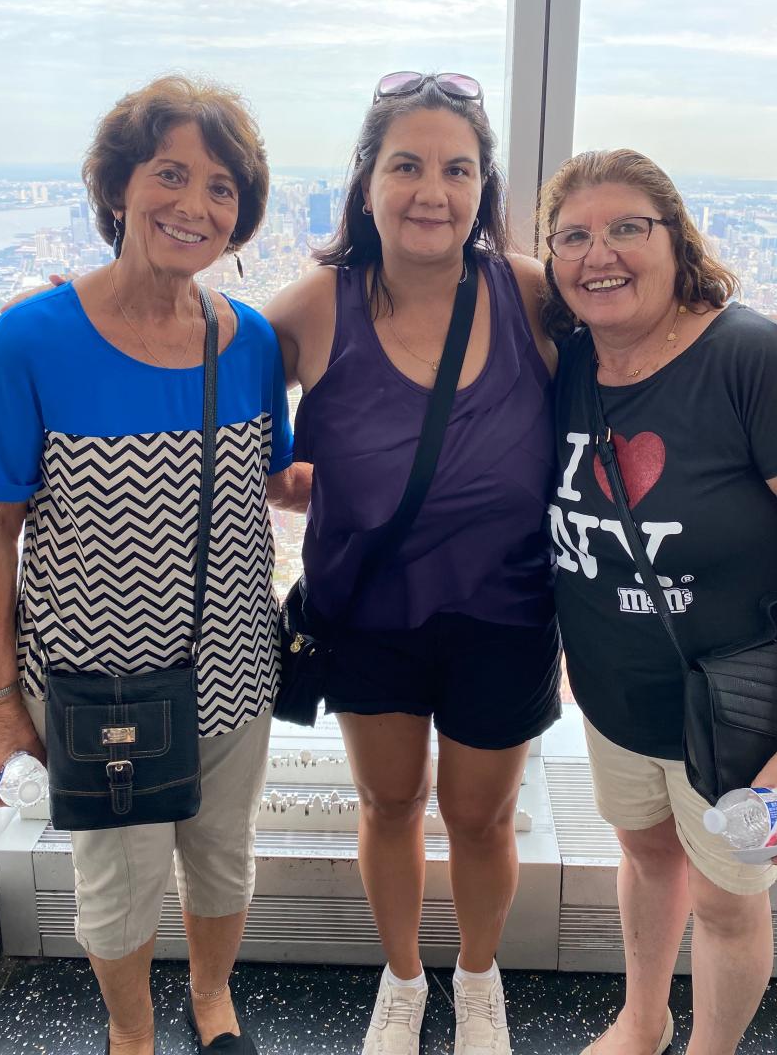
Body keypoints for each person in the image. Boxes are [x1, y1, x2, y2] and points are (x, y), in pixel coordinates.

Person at [0, 76, 308, 1055]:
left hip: (235, 662)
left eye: (223, 187)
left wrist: (380, 476)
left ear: (243, 214)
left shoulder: (251, 339)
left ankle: (215, 996)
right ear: (116, 188)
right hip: (96, 681)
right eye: (171, 174)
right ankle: (131, 1028)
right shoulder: (34, 339)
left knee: (225, 861)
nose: (196, 205)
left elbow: (266, 476)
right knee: (118, 885)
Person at [542, 148, 777, 1055]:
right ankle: (643, 1018)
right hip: (617, 702)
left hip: (743, 718)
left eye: (627, 228)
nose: (599, 253)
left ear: (676, 238)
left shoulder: (754, 359)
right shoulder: (571, 365)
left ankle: (710, 1049)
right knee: (646, 857)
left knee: (730, 902)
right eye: (572, 236)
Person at [265, 71, 563, 1055]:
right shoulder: (311, 308)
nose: (431, 189)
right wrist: (296, 476)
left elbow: (648, 365)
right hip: (369, 611)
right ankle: (402, 980)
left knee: (483, 817)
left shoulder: (527, 294)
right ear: (366, 178)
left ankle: (478, 979)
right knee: (390, 802)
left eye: (456, 168)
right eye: (407, 164)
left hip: (507, 610)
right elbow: (219, 412)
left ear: (485, 186)